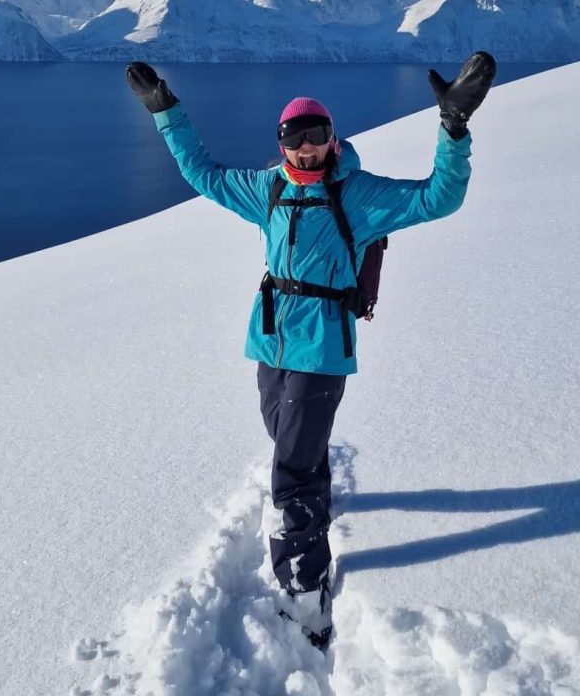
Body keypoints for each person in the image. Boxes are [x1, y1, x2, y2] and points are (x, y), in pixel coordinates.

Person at [126, 52, 496, 648]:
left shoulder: (357, 195)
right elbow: (205, 174)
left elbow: (438, 198)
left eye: (316, 135)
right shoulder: (268, 190)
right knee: (287, 437)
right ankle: (313, 504)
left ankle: (303, 590)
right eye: (294, 138)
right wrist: (165, 110)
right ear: (281, 144)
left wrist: (453, 128)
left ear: (332, 138)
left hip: (322, 346)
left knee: (291, 469)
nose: (306, 148)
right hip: (270, 339)